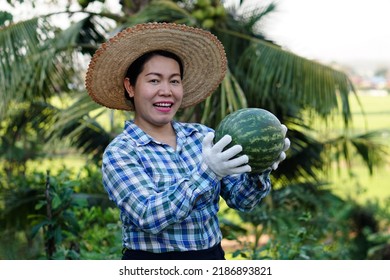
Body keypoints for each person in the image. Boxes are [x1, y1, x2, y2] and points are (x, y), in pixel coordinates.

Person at [85, 22, 290, 260]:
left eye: (174, 81)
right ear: (130, 86)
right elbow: (148, 215)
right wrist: (208, 172)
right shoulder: (121, 152)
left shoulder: (203, 137)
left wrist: (259, 167)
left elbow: (241, 201)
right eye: (154, 81)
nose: (166, 91)